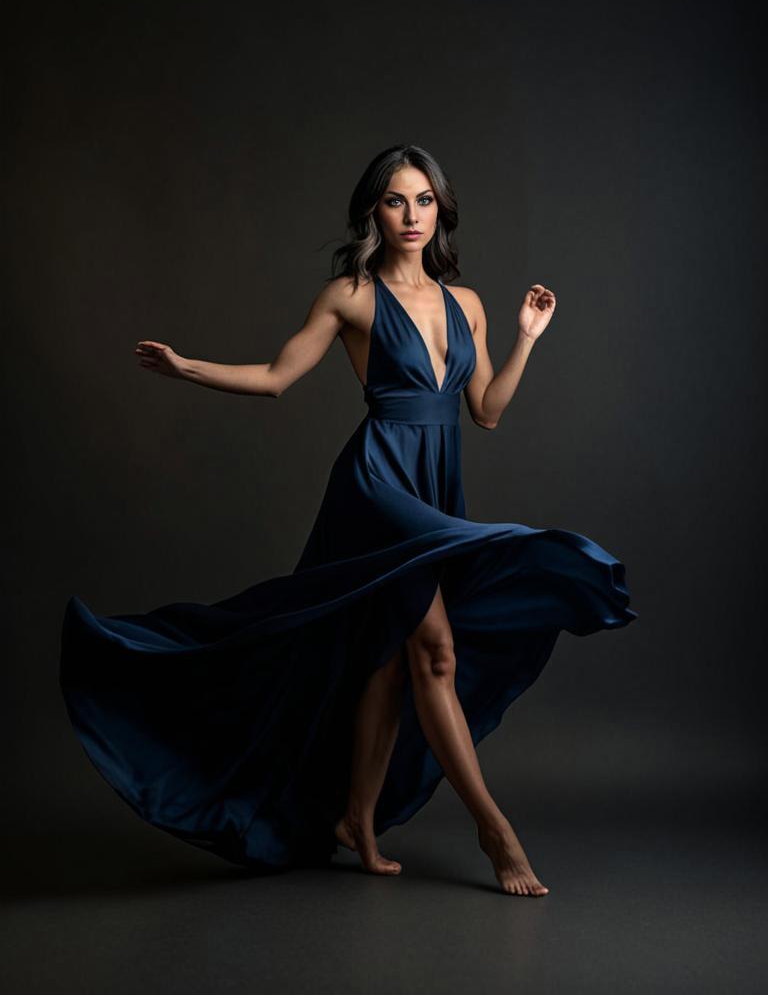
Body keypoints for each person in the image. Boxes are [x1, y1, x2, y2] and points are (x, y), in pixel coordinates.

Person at [60, 143, 637, 897]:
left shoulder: (467, 305)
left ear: (441, 209)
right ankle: (495, 829)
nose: (412, 216)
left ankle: (355, 820)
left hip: (436, 482)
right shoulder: (351, 296)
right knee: (435, 650)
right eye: (396, 201)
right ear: (374, 209)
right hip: (378, 484)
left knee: (393, 658)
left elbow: (487, 413)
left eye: (424, 200)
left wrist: (527, 338)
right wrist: (186, 367)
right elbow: (274, 381)